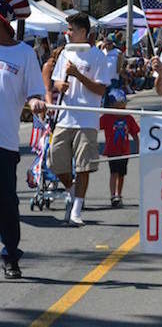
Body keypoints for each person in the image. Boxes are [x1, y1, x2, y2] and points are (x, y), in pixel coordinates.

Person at [0, 0, 46, 278]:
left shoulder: (25, 54)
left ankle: (10, 254)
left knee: (6, 203)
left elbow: (34, 92)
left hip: (4, 143)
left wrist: (36, 101)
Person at [49, 12, 111, 226]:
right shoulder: (66, 52)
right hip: (65, 116)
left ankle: (77, 209)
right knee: (55, 160)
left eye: (72, 30)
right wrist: (60, 86)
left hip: (87, 119)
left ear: (83, 32)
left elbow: (100, 89)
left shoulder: (98, 57)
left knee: (84, 166)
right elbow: (56, 81)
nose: (68, 34)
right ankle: (73, 190)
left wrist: (78, 75)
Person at [99, 89, 139, 207]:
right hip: (112, 150)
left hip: (125, 150)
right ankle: (113, 195)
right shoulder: (107, 117)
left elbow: (135, 133)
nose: (123, 107)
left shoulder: (128, 117)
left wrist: (138, 146)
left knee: (122, 174)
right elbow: (95, 126)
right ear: (112, 105)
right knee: (114, 172)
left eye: (124, 104)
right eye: (120, 105)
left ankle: (119, 194)